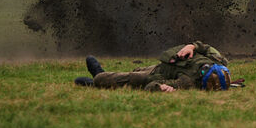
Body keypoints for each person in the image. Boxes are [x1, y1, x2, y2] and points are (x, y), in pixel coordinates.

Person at [73, 41, 244, 92]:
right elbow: (204, 47)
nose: (205, 67)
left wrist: (161, 87)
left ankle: (96, 79)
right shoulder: (219, 60)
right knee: (135, 71)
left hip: (154, 76)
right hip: (160, 66)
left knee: (106, 79)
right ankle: (101, 80)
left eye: (205, 71)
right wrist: (192, 46)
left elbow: (150, 87)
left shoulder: (188, 83)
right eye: (208, 66)